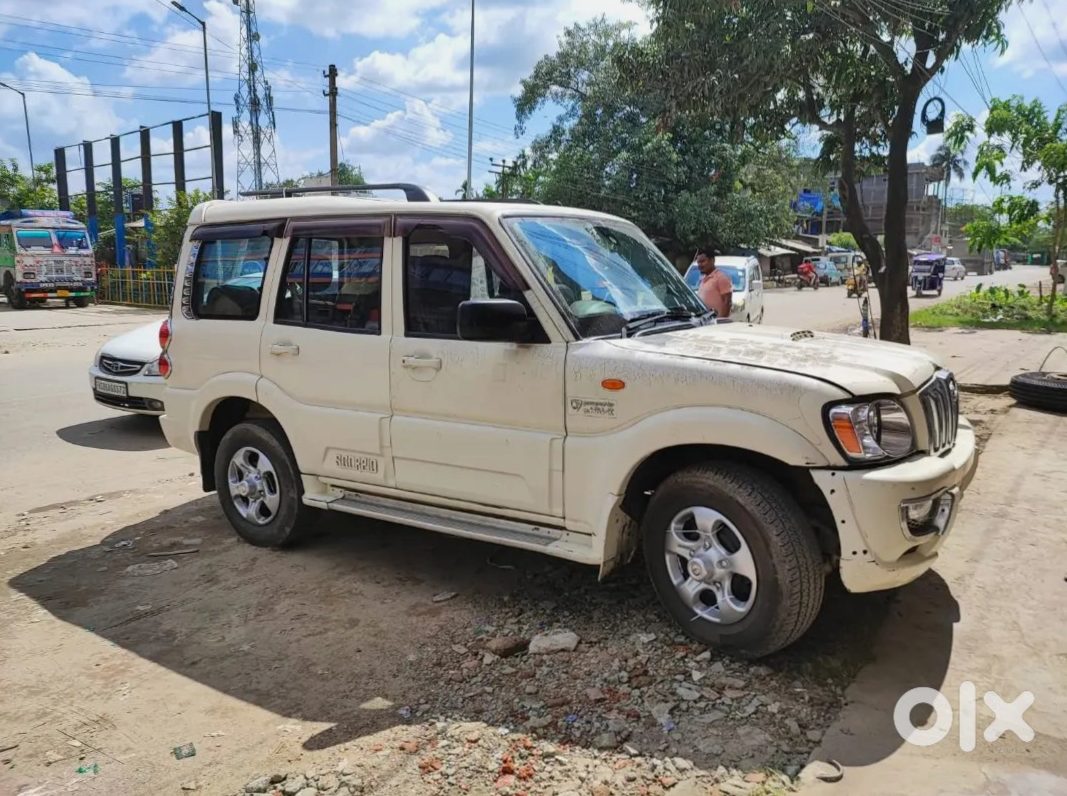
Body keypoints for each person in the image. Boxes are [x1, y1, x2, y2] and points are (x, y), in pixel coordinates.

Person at [695, 246, 732, 319]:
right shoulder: (703, 279)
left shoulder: (721, 278)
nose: (700, 265)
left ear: (712, 260)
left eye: (702, 261)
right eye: (698, 262)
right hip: (705, 322)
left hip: (716, 323)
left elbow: (727, 302)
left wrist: (721, 321)